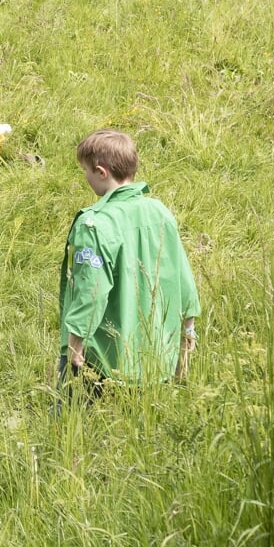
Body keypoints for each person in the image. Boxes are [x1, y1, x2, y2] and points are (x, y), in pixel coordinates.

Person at [58, 129, 201, 392]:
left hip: (102, 361)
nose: (85, 177)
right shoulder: (160, 212)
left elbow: (91, 291)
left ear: (101, 172)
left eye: (86, 171)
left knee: (72, 423)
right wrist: (187, 332)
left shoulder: (94, 225)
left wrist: (74, 348)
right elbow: (182, 276)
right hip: (155, 360)